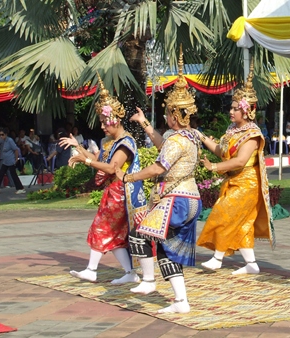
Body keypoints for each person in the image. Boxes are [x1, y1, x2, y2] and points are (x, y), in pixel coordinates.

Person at [114, 47, 202, 314]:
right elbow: (163, 144)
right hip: (189, 199)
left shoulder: (177, 140)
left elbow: (157, 167)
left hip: (176, 200)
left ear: (175, 116)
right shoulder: (191, 137)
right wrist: (144, 124)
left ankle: (149, 281)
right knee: (165, 249)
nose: (165, 118)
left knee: (140, 235)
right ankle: (181, 301)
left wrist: (129, 176)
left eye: (167, 114)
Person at [59, 75, 146, 285]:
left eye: (105, 122)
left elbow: (110, 167)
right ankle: (129, 272)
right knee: (112, 235)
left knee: (101, 228)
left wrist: (85, 161)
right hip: (112, 193)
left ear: (115, 119)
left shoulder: (126, 143)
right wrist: (78, 148)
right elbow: (96, 159)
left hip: (121, 195)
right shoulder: (109, 142)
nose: (102, 127)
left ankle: (92, 269)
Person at [195, 61, 274, 275]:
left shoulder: (252, 134)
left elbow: (239, 161)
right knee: (242, 224)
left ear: (246, 111)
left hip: (247, 183)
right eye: (231, 107)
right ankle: (251, 264)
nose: (231, 111)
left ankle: (217, 257)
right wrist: (201, 137)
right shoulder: (232, 130)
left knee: (223, 213)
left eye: (235, 108)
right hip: (234, 181)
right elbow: (222, 152)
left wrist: (214, 167)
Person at [0, 128, 26, 194]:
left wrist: (16, 159)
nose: (1, 136)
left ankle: (20, 188)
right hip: (4, 160)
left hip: (11, 159)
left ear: (6, 134)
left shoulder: (10, 140)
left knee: (13, 174)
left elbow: (15, 149)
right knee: (1, 174)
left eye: (2, 135)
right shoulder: (0, 140)